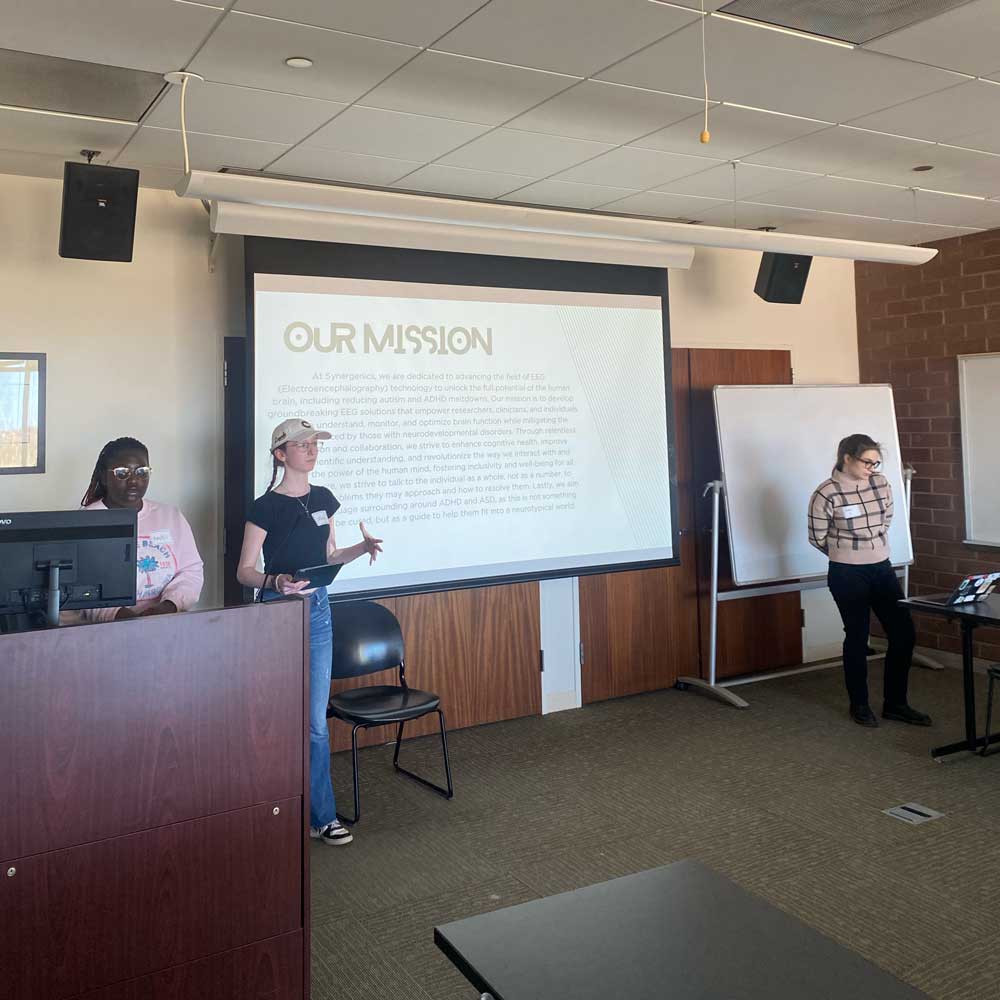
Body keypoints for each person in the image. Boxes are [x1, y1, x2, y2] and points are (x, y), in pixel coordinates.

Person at [237, 418, 384, 847]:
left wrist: (363, 548)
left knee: (314, 723)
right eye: (301, 444)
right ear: (281, 454)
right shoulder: (264, 507)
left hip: (317, 610)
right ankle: (265, 806)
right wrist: (275, 582)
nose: (311, 449)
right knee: (272, 717)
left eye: (315, 443)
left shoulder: (324, 499)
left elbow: (332, 554)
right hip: (276, 612)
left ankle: (322, 816)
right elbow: (245, 571)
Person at [808, 434, 931, 728]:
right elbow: (816, 537)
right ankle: (859, 705)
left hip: (882, 568)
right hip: (847, 573)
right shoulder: (827, 492)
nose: (872, 468)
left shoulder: (882, 484)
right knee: (857, 636)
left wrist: (871, 548)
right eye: (867, 462)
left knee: (903, 634)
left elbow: (887, 519)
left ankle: (896, 704)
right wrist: (847, 553)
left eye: (876, 463)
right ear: (847, 458)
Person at [78, 436, 204, 622]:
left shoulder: (171, 517)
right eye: (122, 473)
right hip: (107, 631)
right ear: (104, 477)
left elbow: (191, 571)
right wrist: (120, 616)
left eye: (141, 472)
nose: (134, 481)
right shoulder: (85, 522)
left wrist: (168, 606)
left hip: (166, 623)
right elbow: (80, 588)